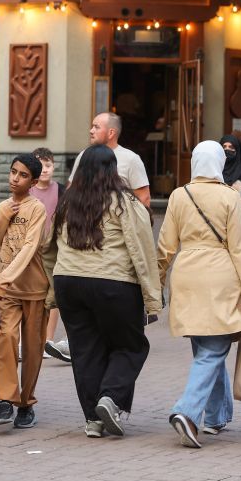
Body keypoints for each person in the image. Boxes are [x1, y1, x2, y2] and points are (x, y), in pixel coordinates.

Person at [48, 144, 162, 439]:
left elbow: (47, 248)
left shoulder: (67, 202)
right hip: (114, 282)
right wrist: (152, 298)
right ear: (113, 170)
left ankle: (92, 420)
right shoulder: (125, 203)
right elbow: (142, 250)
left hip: (69, 282)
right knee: (131, 345)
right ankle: (110, 398)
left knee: (86, 351)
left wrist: (52, 287)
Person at [157, 141, 241, 449]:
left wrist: (156, 283)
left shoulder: (178, 195)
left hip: (186, 274)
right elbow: (240, 248)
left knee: (205, 348)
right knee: (214, 350)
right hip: (220, 275)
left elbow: (165, 247)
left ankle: (217, 415)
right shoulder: (230, 196)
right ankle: (187, 412)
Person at [0, 154, 50, 430]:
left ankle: (26, 402)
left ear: (34, 181)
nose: (15, 178)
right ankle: (5, 399)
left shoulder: (37, 209)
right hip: (6, 290)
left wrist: (5, 278)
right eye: (13, 172)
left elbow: (30, 247)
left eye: (22, 175)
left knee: (34, 348)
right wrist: (2, 218)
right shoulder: (2, 207)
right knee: (6, 337)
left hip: (34, 288)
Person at [30, 147, 71, 363]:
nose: (44, 170)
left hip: (54, 251)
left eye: (48, 165)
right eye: (40, 165)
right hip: (31, 250)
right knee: (32, 294)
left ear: (54, 166)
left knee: (53, 294)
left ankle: (48, 340)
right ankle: (27, 341)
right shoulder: (27, 190)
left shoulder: (62, 191)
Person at [70, 112, 151, 207]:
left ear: (111, 133)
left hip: (118, 220)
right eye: (92, 126)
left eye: (96, 127)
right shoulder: (84, 155)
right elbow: (71, 189)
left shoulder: (131, 159)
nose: (91, 131)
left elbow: (144, 198)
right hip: (86, 218)